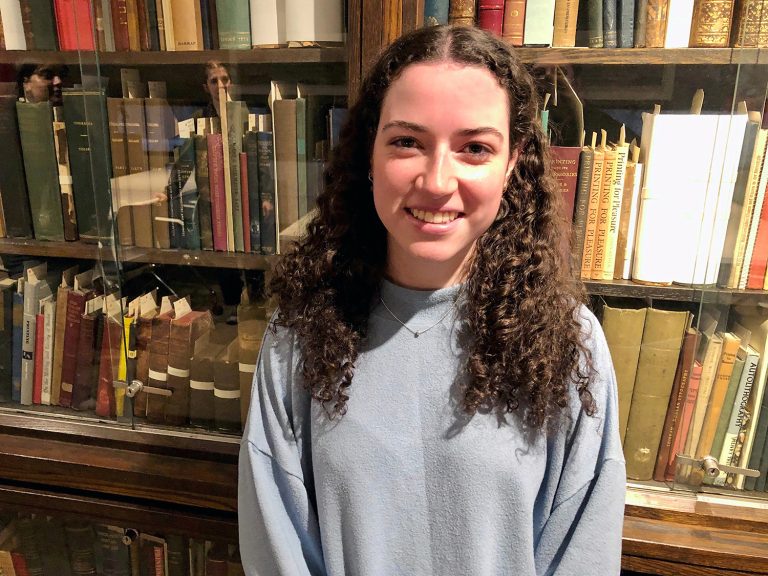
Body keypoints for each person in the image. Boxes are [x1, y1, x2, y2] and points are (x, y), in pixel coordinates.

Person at [239, 24, 625, 576]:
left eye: (474, 148)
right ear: (368, 150)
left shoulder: (568, 343)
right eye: (407, 141)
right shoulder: (299, 337)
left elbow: (581, 551)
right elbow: (275, 546)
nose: (438, 180)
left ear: (512, 162)